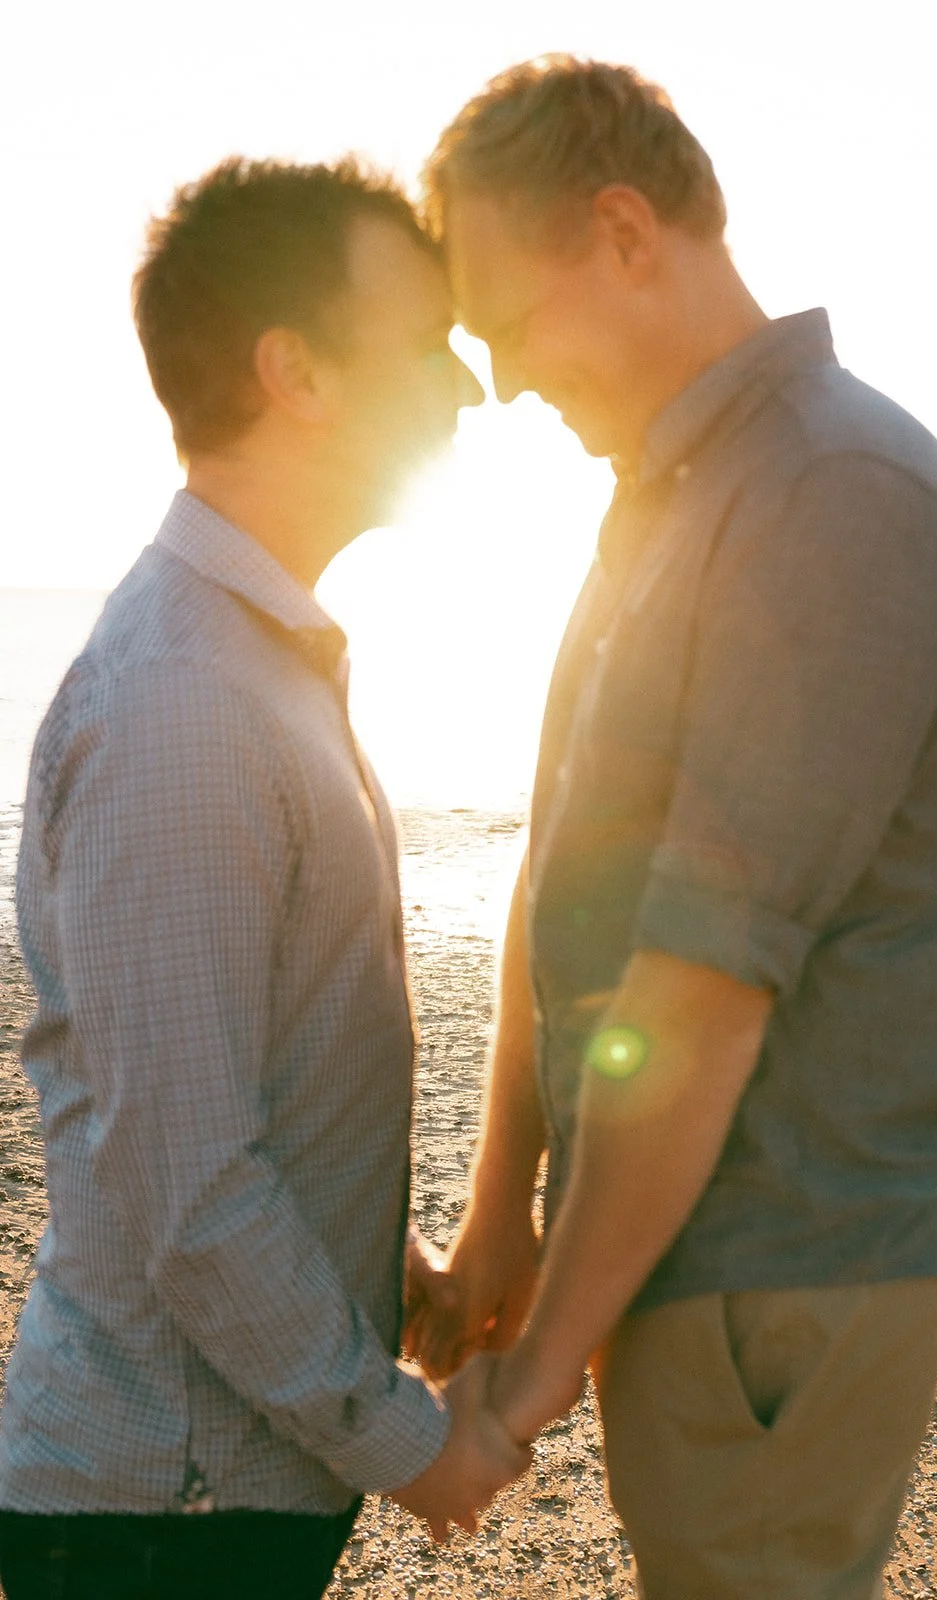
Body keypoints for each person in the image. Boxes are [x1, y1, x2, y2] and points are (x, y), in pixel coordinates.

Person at [410, 57, 937, 1599]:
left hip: (787, 1264)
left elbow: (701, 981)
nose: (499, 379)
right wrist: (498, 1225)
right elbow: (563, 870)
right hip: (680, 1249)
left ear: (622, 231)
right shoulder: (671, 490)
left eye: (504, 322)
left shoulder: (831, 491)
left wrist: (536, 1369)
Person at [0, 156, 528, 1600]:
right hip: (165, 1511)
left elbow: (233, 1085)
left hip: (203, 1492)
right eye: (423, 339)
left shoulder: (250, 661)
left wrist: (381, 1264)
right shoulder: (184, 705)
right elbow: (189, 1184)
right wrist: (404, 1440)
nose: (467, 386)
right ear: (293, 370)